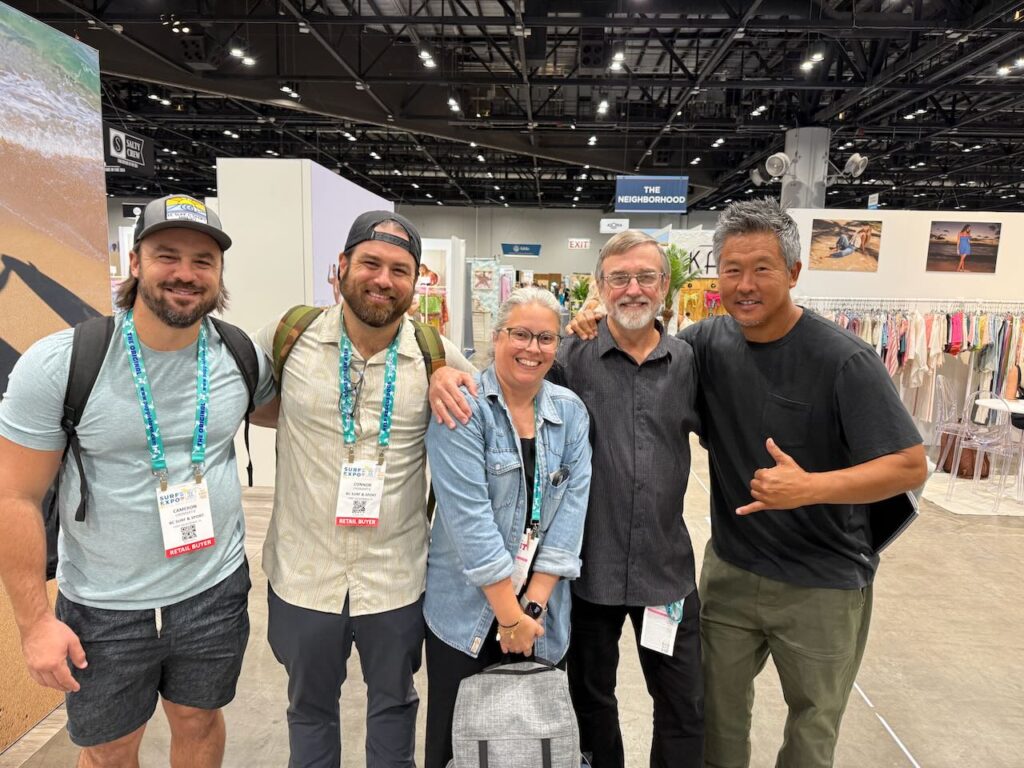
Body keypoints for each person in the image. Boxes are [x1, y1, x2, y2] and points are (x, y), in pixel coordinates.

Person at [569, 198, 927, 768]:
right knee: (715, 720)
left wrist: (810, 487)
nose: (745, 284)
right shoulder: (706, 346)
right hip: (731, 573)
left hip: (822, 580)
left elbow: (909, 466)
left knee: (812, 728)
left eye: (762, 267)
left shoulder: (844, 358)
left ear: (794, 272)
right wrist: (588, 319)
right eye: (732, 269)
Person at [0, 194, 276, 767]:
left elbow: (297, 408)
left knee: (200, 722)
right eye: (166, 255)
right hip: (104, 606)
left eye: (203, 261)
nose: (184, 273)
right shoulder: (62, 363)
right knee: (109, 750)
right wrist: (33, 625)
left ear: (220, 273)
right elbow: (14, 496)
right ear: (134, 262)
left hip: (214, 589)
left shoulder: (239, 355)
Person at [430, 231, 705, 768]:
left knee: (683, 707)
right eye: (619, 278)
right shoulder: (571, 358)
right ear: (600, 288)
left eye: (645, 276)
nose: (632, 289)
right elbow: (507, 378)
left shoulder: (690, 362)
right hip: (592, 579)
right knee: (588, 707)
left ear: (665, 286)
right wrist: (445, 371)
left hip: (664, 575)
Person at [251, 211, 475, 768]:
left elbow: (499, 417)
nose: (383, 280)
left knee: (395, 707)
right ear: (342, 268)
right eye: (371, 263)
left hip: (395, 578)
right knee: (308, 708)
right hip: (305, 576)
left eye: (400, 270)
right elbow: (242, 401)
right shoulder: (290, 337)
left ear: (416, 282)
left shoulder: (437, 358)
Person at [422, 287, 592, 768]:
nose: (531, 349)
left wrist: (530, 609)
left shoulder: (571, 413)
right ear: (496, 336)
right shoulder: (464, 407)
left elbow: (570, 519)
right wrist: (508, 617)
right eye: (519, 334)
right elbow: (468, 522)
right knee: (459, 746)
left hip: (542, 618)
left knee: (534, 745)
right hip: (466, 617)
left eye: (545, 338)